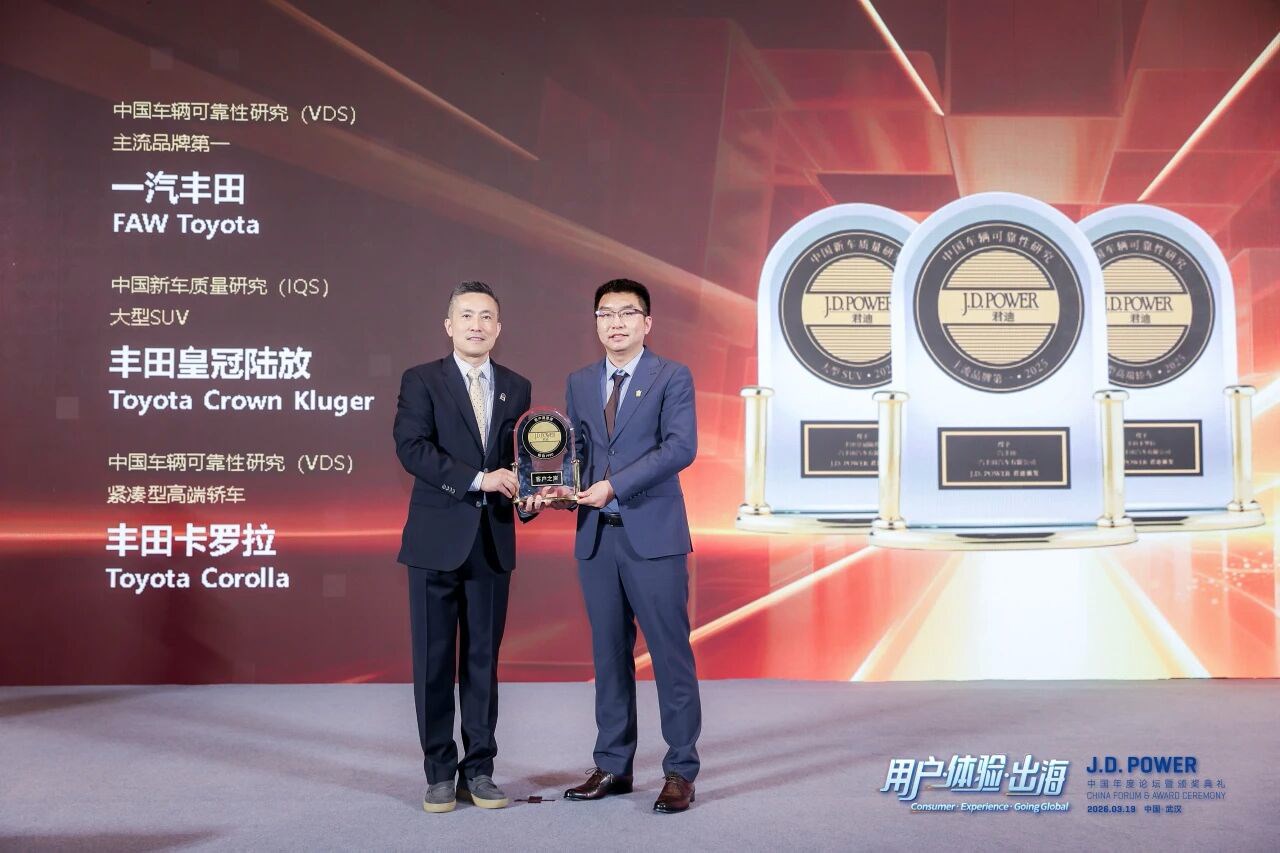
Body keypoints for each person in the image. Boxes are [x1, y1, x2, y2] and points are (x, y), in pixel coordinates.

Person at [552, 278, 702, 812]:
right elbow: (577, 453)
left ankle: (680, 770)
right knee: (609, 655)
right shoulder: (579, 381)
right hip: (597, 538)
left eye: (626, 313)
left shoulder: (672, 376)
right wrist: (558, 488)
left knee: (669, 655)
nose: (615, 323)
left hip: (654, 536)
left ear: (646, 322)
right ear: (595, 322)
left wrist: (614, 486)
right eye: (605, 314)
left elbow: (680, 448)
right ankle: (613, 765)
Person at [393, 281, 532, 814]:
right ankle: (438, 772)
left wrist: (534, 488)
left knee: (482, 662)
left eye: (487, 316)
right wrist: (478, 479)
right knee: (433, 662)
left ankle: (480, 770)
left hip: (492, 542)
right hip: (435, 542)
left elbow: (521, 460)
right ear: (449, 325)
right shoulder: (422, 379)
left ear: (499, 327)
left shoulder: (517, 387)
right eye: (467, 316)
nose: (477, 325)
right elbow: (411, 448)